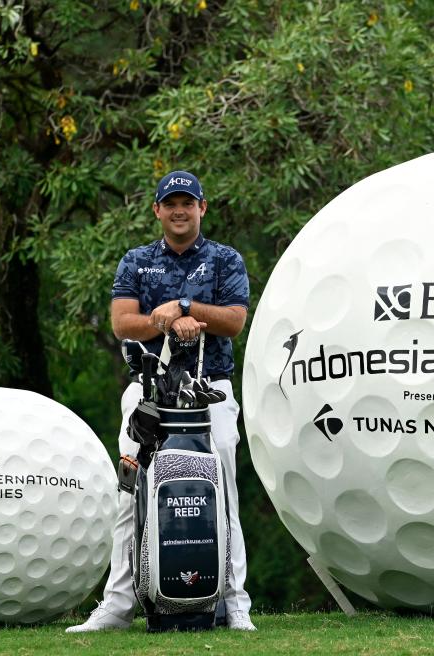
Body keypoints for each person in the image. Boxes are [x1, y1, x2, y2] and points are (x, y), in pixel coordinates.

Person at [66, 170, 255, 632]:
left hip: (211, 387)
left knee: (224, 493)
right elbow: (122, 324)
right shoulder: (136, 260)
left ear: (202, 208)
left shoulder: (224, 259)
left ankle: (234, 604)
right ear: (157, 210)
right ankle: (117, 605)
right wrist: (167, 319)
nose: (179, 210)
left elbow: (233, 321)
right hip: (147, 391)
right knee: (130, 493)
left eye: (187, 203)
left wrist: (188, 309)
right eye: (170, 203)